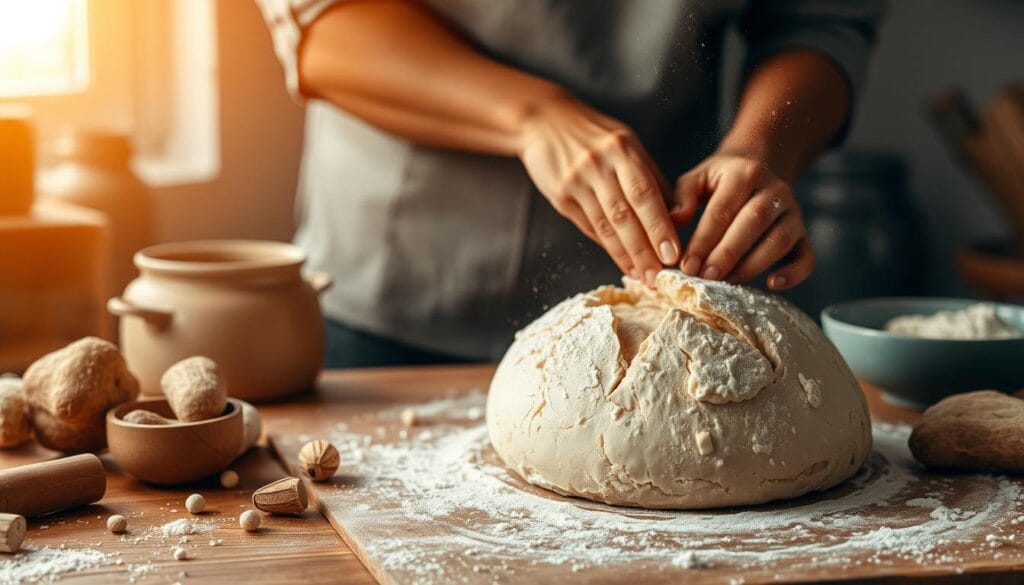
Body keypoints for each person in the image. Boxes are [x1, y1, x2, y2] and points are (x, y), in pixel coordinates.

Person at [256, 0, 884, 368]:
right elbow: (320, 24)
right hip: (395, 292)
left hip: (659, 301)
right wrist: (532, 117)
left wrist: (762, 147)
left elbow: (820, 20)